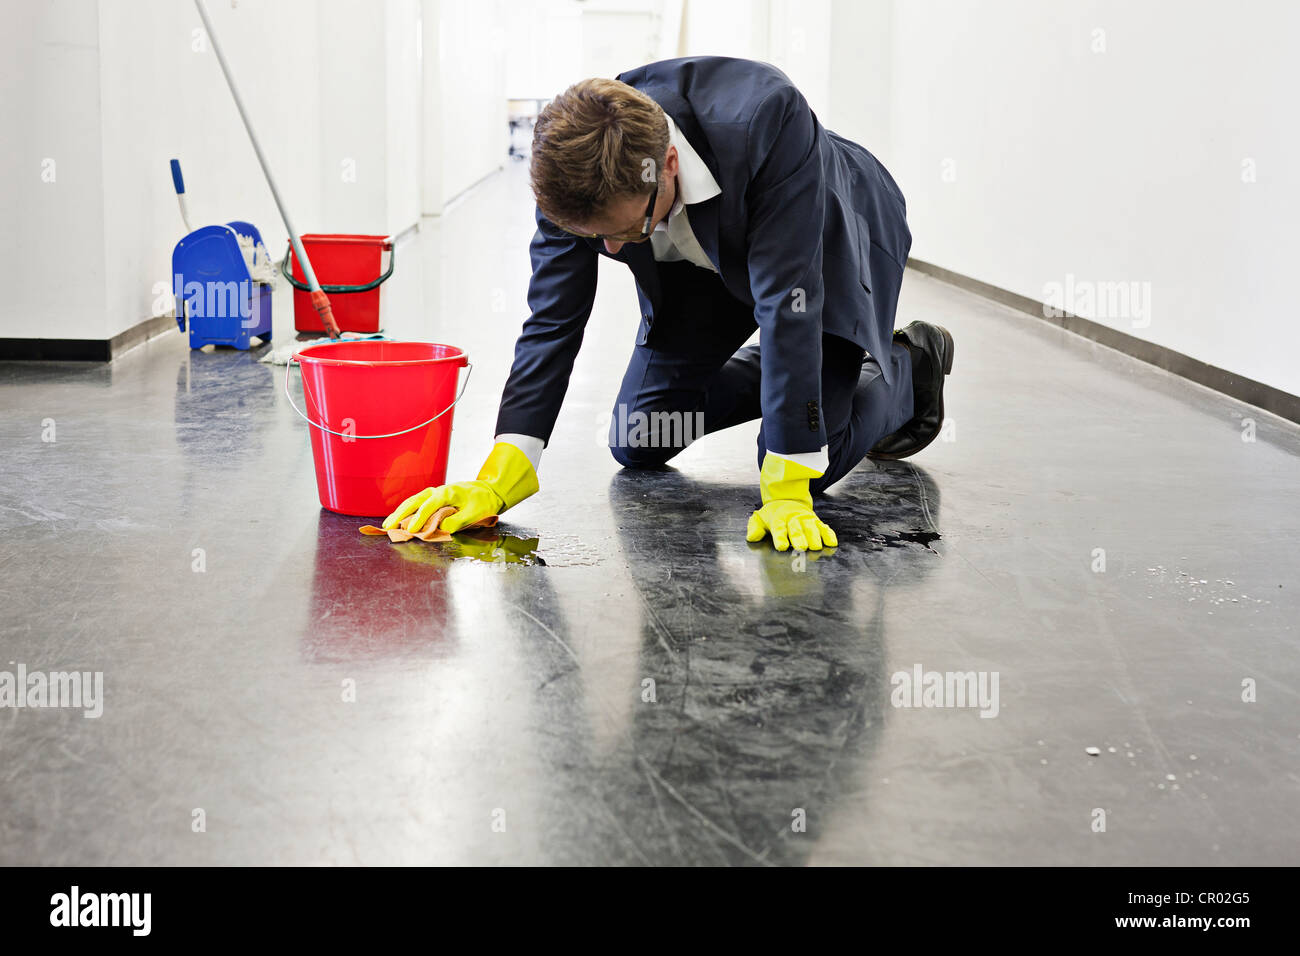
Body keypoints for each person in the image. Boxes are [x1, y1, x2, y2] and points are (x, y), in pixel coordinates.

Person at [384, 56, 953, 552]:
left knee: (810, 461)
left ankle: (906, 368)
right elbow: (553, 321)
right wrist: (504, 468)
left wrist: (783, 484)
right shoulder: (572, 171)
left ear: (669, 166)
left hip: (825, 240)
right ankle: (786, 380)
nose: (608, 250)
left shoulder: (767, 119)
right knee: (641, 435)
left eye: (625, 232)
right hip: (705, 263)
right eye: (594, 238)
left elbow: (788, 303)